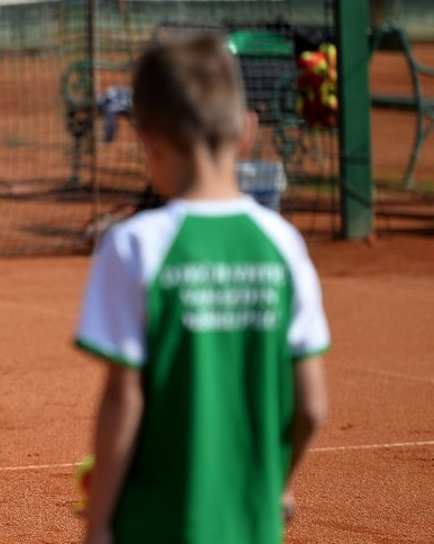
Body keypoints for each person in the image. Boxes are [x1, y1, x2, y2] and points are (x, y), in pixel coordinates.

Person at [75, 33, 329, 544]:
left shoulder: (133, 247)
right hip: (251, 520)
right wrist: (275, 486)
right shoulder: (283, 244)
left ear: (147, 139)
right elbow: (312, 408)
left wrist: (101, 522)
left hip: (153, 522)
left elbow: (124, 399)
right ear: (248, 131)